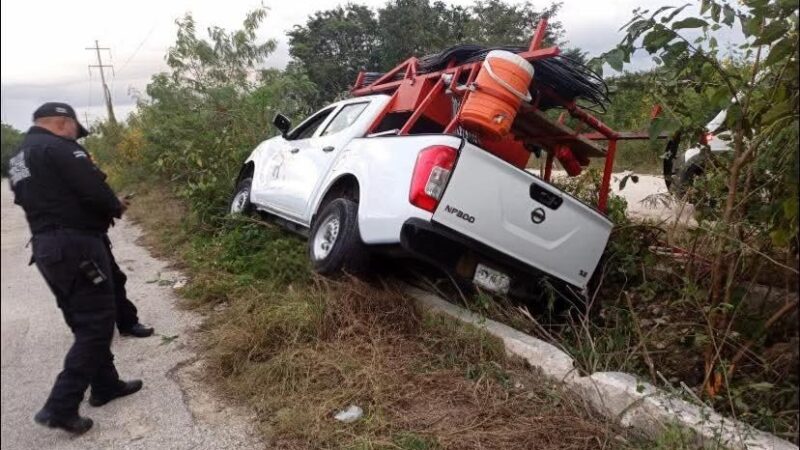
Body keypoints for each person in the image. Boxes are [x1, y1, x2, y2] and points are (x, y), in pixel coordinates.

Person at [6, 102, 149, 434]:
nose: (76, 135)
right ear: (61, 122)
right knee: (96, 326)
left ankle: (106, 385)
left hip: (47, 248)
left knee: (81, 318)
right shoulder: (61, 148)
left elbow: (29, 198)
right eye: (75, 128)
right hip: (76, 245)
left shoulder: (17, 158)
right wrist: (115, 206)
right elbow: (94, 190)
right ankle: (60, 406)